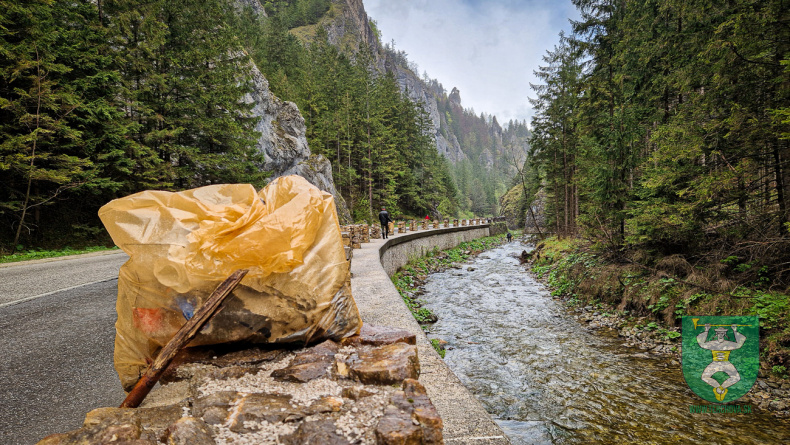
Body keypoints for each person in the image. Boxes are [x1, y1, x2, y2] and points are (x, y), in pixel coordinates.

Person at [697, 324, 747, 401]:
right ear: (716, 334)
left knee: (736, 378)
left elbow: (739, 344)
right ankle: (718, 388)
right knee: (704, 377)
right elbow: (701, 344)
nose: (720, 335)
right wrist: (706, 330)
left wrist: (735, 331)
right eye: (719, 333)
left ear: (724, 334)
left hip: (726, 363)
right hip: (715, 363)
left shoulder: (728, 343)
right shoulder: (712, 343)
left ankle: (722, 388)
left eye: (722, 333)